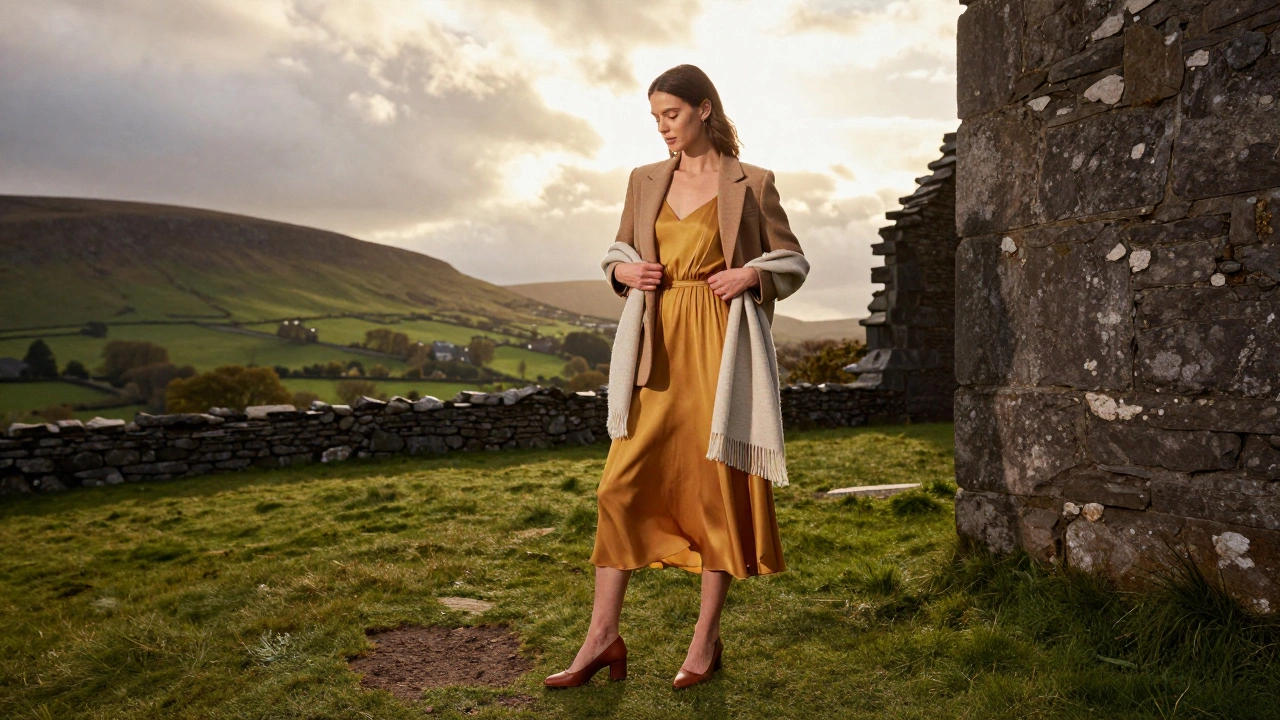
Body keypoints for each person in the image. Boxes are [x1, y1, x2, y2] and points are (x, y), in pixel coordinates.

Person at [543, 64, 804, 691]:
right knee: (620, 487)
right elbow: (619, 253)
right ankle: (602, 637)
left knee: (715, 491)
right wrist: (623, 275)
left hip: (720, 345)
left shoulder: (753, 182)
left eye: (673, 115)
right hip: (656, 346)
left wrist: (753, 276)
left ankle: (705, 641)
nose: (663, 128)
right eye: (656, 117)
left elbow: (791, 260)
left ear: (704, 109)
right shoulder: (643, 181)